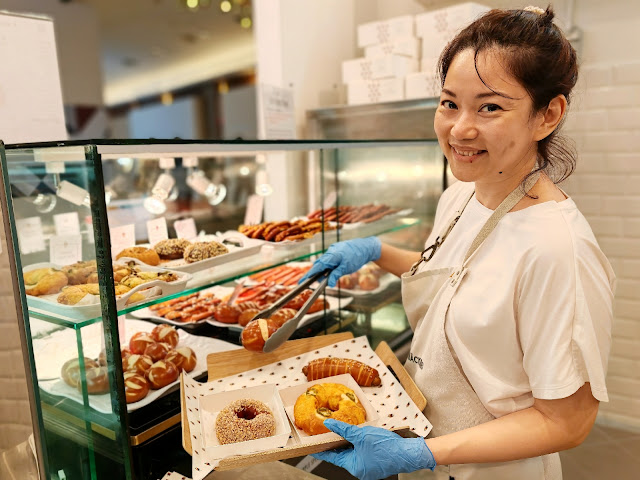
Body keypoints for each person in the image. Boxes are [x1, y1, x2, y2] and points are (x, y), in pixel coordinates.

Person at [300, 5, 616, 480]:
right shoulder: (461, 195)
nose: (459, 129)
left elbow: (568, 421)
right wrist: (377, 251)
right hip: (431, 440)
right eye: (450, 103)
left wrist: (424, 455)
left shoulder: (557, 250)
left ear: (547, 115)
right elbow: (456, 282)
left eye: (490, 107)